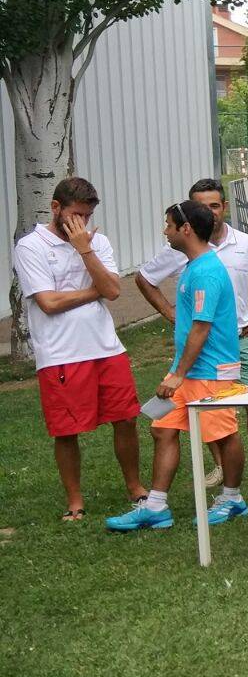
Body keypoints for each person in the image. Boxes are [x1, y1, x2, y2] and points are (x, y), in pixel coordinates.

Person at [135, 178, 248, 489]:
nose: (210, 212)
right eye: (202, 206)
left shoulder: (231, 252)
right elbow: (146, 279)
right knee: (170, 426)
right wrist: (170, 313)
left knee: (243, 412)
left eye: (214, 205)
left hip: (228, 348)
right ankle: (170, 496)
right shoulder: (187, 257)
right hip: (195, 357)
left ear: (224, 207)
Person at [11, 177, 146, 520]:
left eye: (87, 216)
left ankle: (135, 488)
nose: (81, 223)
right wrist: (93, 291)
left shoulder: (96, 242)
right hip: (61, 354)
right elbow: (49, 303)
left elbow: (113, 291)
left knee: (126, 418)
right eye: (76, 215)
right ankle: (75, 502)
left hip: (107, 348)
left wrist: (85, 250)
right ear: (56, 208)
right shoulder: (31, 246)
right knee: (66, 430)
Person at [108, 200, 246, 532]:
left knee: (223, 435)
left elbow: (201, 327)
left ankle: (233, 499)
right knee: (163, 429)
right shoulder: (194, 267)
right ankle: (156, 507)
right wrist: (178, 371)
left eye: (169, 225)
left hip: (211, 372)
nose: (164, 231)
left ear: (186, 229)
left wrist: (178, 373)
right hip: (189, 371)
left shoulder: (206, 272)